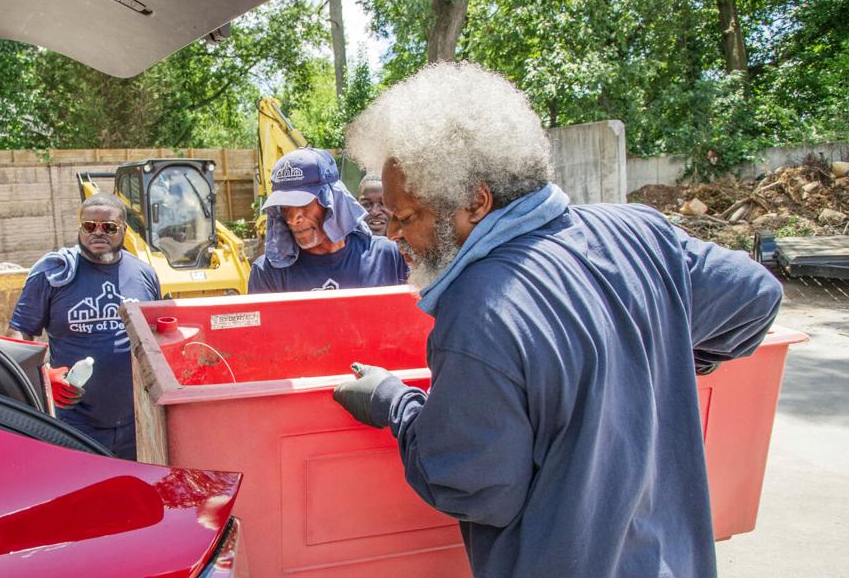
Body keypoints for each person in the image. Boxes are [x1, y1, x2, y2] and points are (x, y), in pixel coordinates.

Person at [332, 62, 783, 578]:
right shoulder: (640, 231)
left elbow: (475, 487)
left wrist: (396, 404)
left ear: (475, 202)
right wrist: (656, 358)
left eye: (406, 216)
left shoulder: (479, 309)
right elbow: (758, 297)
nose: (390, 233)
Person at [8, 193, 160, 459]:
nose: (98, 232)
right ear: (80, 227)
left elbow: (158, 334)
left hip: (137, 418)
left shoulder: (143, 274)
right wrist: (41, 377)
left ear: (123, 229)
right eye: (90, 226)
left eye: (109, 227)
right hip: (76, 421)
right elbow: (20, 331)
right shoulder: (53, 275)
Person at [248, 148, 407, 293]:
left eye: (303, 203)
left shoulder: (388, 257)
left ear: (332, 200)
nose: (292, 218)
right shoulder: (268, 273)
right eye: (285, 206)